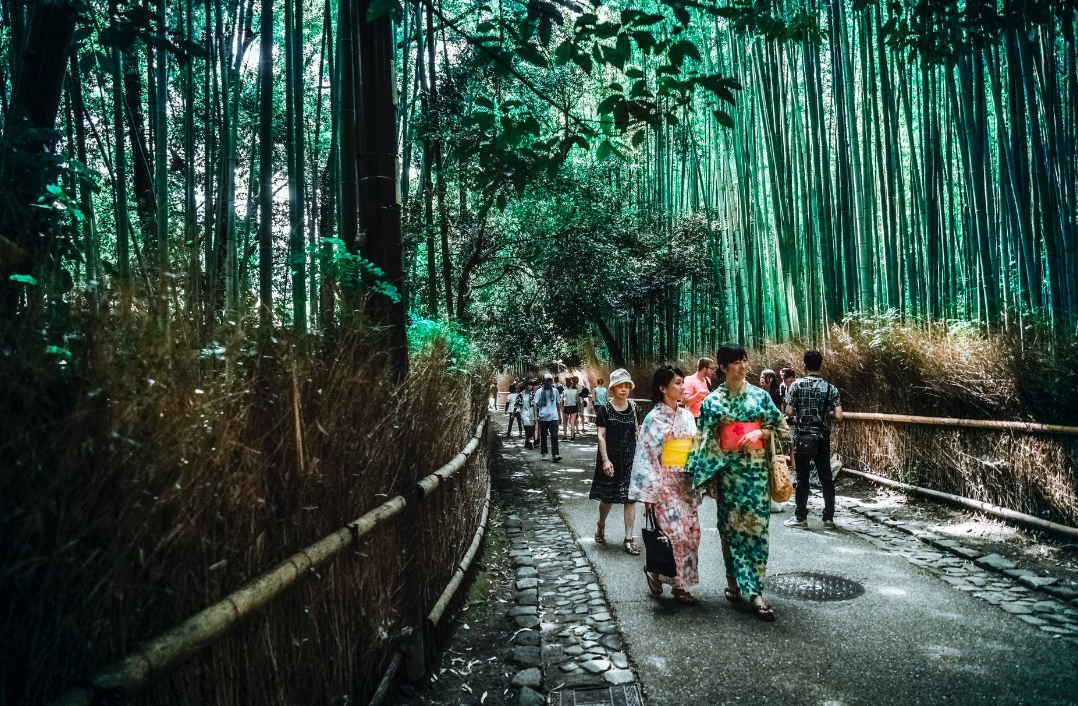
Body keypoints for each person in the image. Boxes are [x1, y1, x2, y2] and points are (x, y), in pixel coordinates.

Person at [690, 344, 789, 621]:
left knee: (757, 531)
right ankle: (732, 580)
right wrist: (708, 478)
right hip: (728, 476)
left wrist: (760, 432)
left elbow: (781, 428)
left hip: (756, 474)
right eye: (736, 362)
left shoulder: (760, 396)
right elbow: (704, 440)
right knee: (729, 530)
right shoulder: (712, 402)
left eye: (745, 360)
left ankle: (756, 592)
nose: (743, 366)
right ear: (723, 367)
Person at [629, 366, 701, 604]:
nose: (682, 387)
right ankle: (665, 578)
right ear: (663, 388)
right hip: (663, 484)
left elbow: (695, 449)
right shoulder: (653, 419)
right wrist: (649, 495)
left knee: (691, 535)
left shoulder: (687, 415)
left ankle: (679, 583)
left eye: (682, 382)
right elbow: (646, 457)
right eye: (678, 383)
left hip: (684, 483)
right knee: (672, 535)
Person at [784, 350, 843, 530]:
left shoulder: (796, 385)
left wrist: (800, 415)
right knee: (826, 478)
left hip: (802, 437)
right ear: (820, 365)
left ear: (804, 365)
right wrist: (825, 414)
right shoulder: (830, 388)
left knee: (802, 478)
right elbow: (839, 416)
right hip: (822, 436)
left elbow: (787, 411)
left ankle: (801, 517)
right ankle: (828, 519)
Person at [592, 368, 641, 556]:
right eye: (620, 386)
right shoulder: (604, 409)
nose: (624, 389)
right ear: (612, 389)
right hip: (610, 458)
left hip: (630, 459)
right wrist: (605, 460)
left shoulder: (635, 408)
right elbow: (601, 436)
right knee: (608, 497)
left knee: (630, 499)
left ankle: (628, 539)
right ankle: (601, 524)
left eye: (627, 386)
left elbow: (639, 432)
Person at [534, 373, 563, 462]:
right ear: (544, 381)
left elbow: (558, 404)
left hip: (553, 416)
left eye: (550, 380)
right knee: (543, 436)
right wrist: (536, 415)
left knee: (554, 436)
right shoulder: (539, 392)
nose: (548, 382)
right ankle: (544, 453)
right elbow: (535, 403)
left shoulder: (555, 391)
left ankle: (555, 454)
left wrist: (559, 416)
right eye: (546, 380)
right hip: (543, 417)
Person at [517, 380, 537, 449]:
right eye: (529, 385)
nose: (531, 386)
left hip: (531, 413)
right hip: (524, 412)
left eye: (531, 385)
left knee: (531, 427)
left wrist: (536, 413)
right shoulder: (520, 394)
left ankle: (527, 442)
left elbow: (535, 404)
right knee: (527, 427)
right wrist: (514, 413)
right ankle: (529, 443)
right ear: (526, 386)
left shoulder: (533, 394)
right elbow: (517, 404)